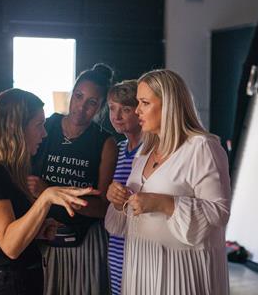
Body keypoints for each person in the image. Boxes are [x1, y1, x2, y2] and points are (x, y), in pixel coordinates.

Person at [104, 69, 231, 295]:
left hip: (180, 271)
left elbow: (219, 213)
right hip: (142, 264)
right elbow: (133, 211)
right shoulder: (146, 150)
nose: (137, 110)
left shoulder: (202, 147)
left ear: (169, 105)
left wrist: (164, 203)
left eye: (144, 103)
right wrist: (118, 200)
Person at [0, 89, 97, 295]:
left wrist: (37, 230)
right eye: (38, 125)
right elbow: (10, 246)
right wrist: (46, 197)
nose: (44, 133)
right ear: (15, 129)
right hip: (11, 286)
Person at [30, 63, 117, 295]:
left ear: (101, 107)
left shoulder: (105, 142)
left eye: (92, 103)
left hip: (84, 242)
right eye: (79, 96)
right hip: (42, 236)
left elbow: (102, 209)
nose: (81, 107)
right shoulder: (46, 126)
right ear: (72, 93)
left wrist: (50, 192)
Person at [104, 80, 142, 295]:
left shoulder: (152, 150)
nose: (116, 116)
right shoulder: (117, 149)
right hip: (117, 243)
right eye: (112, 108)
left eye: (125, 109)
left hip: (141, 245)